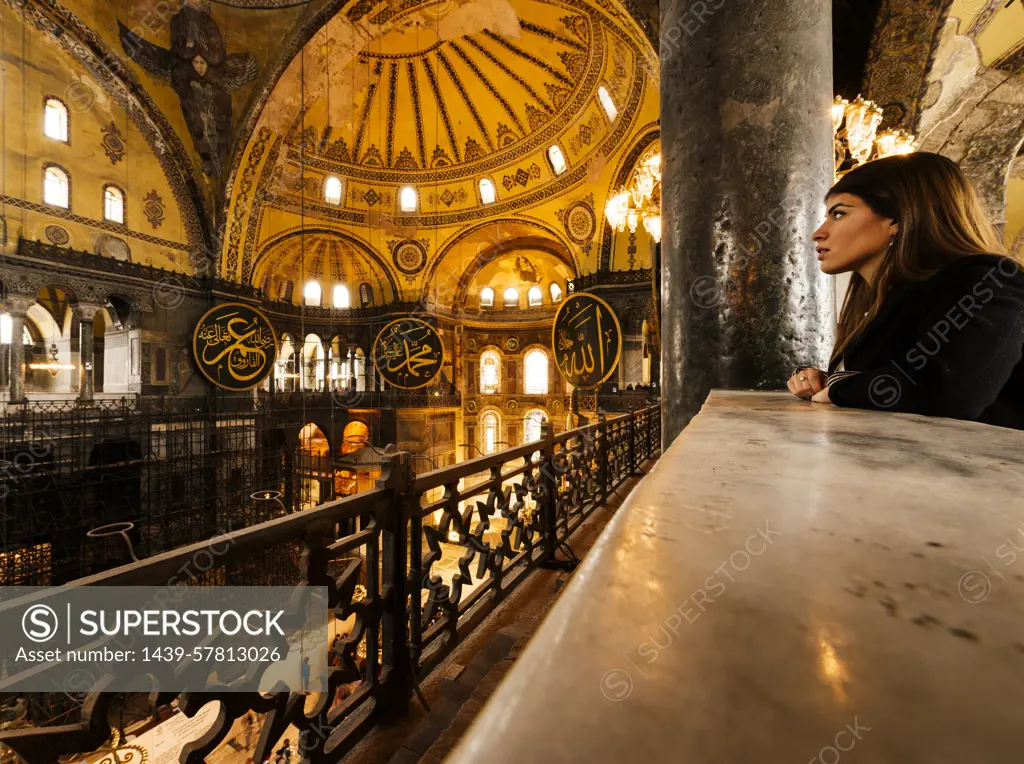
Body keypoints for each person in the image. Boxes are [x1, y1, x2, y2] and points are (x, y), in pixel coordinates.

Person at [788, 152, 1024, 429]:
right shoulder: (892, 298)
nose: (818, 232)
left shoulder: (986, 280)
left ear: (898, 219)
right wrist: (821, 379)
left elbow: (948, 391)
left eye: (839, 213)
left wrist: (839, 387)